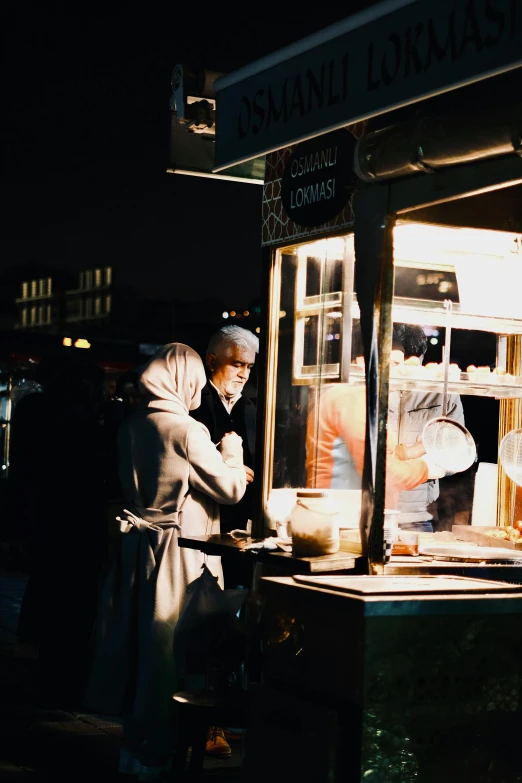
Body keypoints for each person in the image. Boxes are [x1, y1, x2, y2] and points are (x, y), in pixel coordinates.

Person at [84, 343, 247, 780]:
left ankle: (135, 749)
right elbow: (231, 489)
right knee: (173, 649)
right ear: (186, 380)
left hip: (139, 549)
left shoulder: (134, 425)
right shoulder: (187, 430)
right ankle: (161, 752)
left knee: (140, 648)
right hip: (179, 551)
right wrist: (231, 450)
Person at [11, 350, 106, 708]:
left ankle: (45, 676)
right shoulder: (79, 424)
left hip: (49, 521)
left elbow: (23, 475)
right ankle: (61, 681)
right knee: (74, 605)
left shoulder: (34, 411)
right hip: (75, 523)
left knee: (50, 596)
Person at [306, 334, 446, 509]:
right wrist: (426, 468)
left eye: (402, 365)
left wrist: (411, 452)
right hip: (341, 513)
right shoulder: (353, 398)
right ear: (362, 361)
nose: (400, 372)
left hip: (348, 511)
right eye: (394, 365)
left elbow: (364, 453)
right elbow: (383, 474)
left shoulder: (357, 396)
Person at [191, 325, 258, 581]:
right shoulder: (193, 400)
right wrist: (229, 470)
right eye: (237, 364)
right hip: (205, 518)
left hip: (245, 521)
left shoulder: (257, 404)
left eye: (249, 367)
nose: (244, 374)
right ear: (211, 361)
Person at [390, 323, 465, 533]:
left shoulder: (443, 393)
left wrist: (429, 465)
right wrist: (409, 454)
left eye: (412, 364)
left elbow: (457, 454)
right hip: (366, 509)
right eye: (395, 363)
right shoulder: (368, 388)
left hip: (417, 515)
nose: (404, 372)